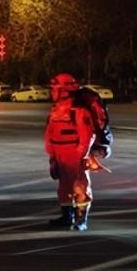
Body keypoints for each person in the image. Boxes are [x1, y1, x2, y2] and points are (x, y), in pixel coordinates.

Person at [44, 73, 96, 231]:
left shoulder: (78, 110)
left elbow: (87, 135)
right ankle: (67, 217)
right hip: (60, 155)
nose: (52, 91)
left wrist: (82, 154)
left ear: (64, 90)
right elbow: (49, 133)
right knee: (64, 188)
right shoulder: (56, 110)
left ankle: (81, 219)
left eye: (55, 88)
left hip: (74, 154)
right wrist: (52, 155)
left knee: (80, 186)